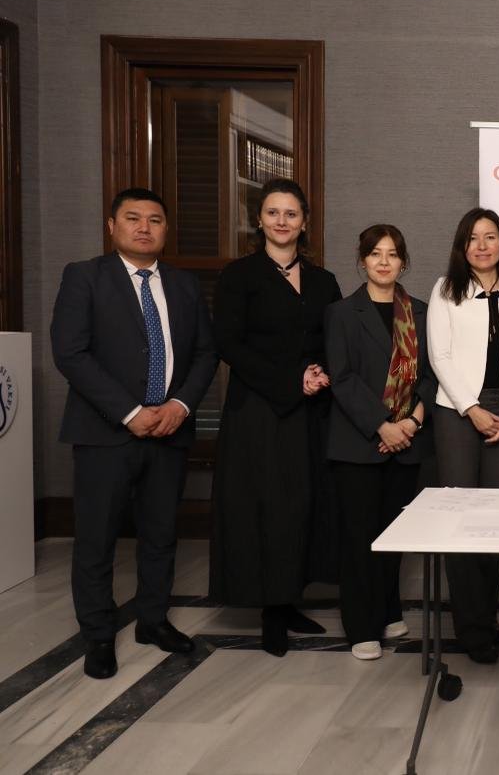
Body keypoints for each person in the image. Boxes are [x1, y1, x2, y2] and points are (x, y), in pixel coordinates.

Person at [50, 187, 218, 679]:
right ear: (112, 226)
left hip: (170, 430)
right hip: (105, 433)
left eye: (155, 220)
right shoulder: (85, 276)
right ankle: (99, 635)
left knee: (160, 534)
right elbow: (71, 353)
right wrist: (128, 412)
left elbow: (206, 352)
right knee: (97, 539)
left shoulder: (184, 285)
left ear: (166, 229)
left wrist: (180, 406)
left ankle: (152, 620)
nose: (144, 227)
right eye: (133, 218)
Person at [209, 177, 342, 657]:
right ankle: (269, 611)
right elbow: (229, 344)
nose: (282, 221)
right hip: (258, 410)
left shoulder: (324, 281)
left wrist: (319, 373)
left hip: (310, 410)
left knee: (302, 504)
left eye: (291, 213)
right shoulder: (239, 275)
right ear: (259, 220)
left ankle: (290, 599)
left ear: (304, 222)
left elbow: (334, 338)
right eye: (273, 213)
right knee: (264, 506)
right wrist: (291, 380)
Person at [427, 209, 499, 663]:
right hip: (457, 413)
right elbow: (439, 357)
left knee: (493, 521)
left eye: (491, 237)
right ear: (462, 246)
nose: (483, 246)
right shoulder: (445, 290)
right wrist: (471, 409)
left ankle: (487, 617)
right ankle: (469, 627)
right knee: (461, 519)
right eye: (473, 238)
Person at [326, 225, 437, 661]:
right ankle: (361, 625)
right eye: (375, 254)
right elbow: (342, 377)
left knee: (394, 535)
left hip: (408, 439)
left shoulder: (421, 313)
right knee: (360, 539)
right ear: (363, 260)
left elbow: (432, 374)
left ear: (403, 262)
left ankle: (389, 609)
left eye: (392, 254)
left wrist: (411, 422)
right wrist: (382, 426)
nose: (384, 261)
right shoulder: (341, 313)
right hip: (359, 443)